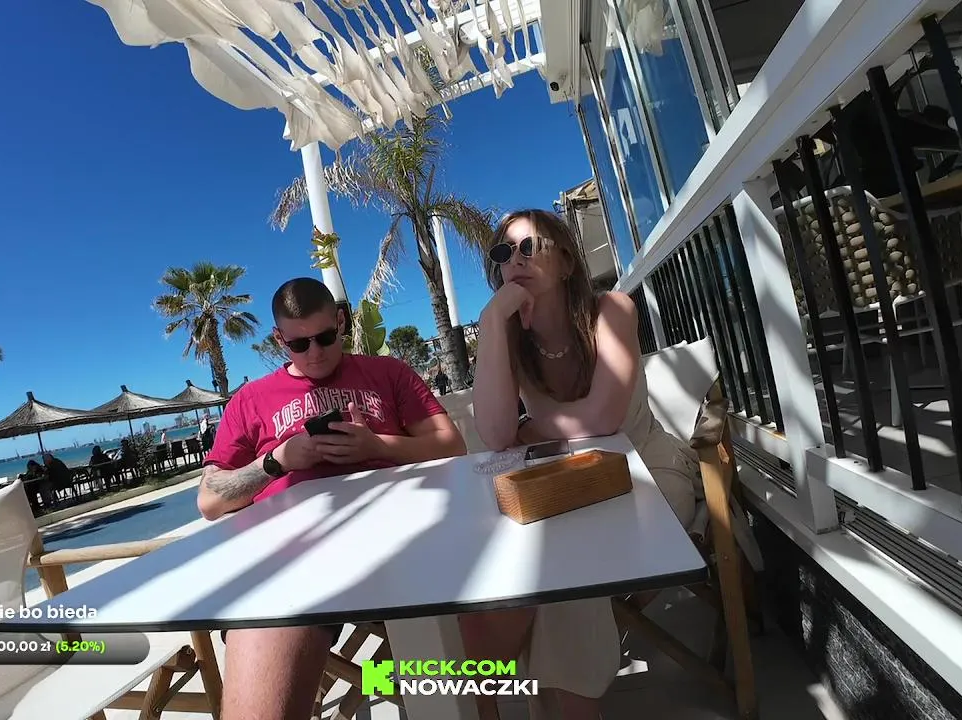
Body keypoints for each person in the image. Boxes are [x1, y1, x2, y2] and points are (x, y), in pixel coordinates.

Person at [461, 209, 712, 719]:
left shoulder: (612, 310)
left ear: (567, 260)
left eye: (529, 246)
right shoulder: (512, 341)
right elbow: (497, 434)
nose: (515, 260)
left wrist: (536, 425)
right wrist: (490, 324)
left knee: (565, 571)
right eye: (503, 253)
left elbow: (604, 419)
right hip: (572, 484)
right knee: (550, 568)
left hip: (649, 469)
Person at [197, 277, 466, 719]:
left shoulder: (388, 373)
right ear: (279, 339)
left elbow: (453, 447)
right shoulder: (250, 400)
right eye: (298, 344)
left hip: (402, 545)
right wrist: (276, 461)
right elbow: (210, 501)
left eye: (325, 337)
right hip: (293, 563)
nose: (316, 353)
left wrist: (376, 445)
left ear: (341, 322)